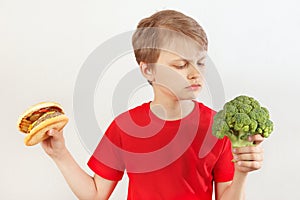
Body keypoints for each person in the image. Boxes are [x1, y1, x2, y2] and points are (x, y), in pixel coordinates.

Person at [42, 10, 264, 200]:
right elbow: (96, 193)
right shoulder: (124, 126)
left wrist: (242, 173)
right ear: (148, 70)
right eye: (181, 65)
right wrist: (59, 154)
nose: (195, 73)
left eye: (201, 62)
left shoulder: (218, 128)